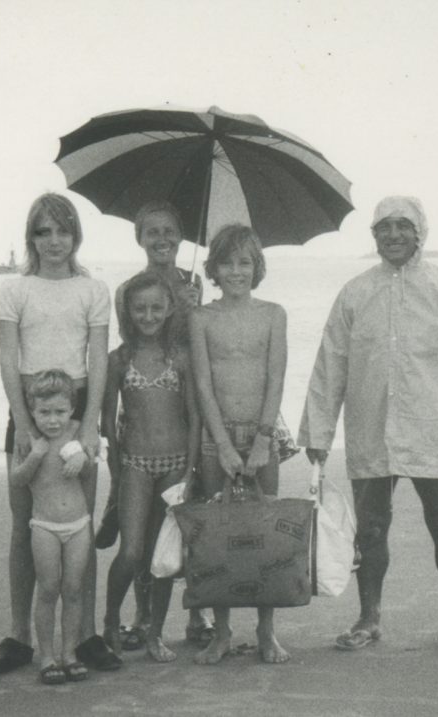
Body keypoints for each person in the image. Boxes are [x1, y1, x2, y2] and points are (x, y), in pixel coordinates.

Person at [299, 196, 438, 655]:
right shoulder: (355, 294)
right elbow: (329, 367)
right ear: (374, 235)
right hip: (370, 430)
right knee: (371, 530)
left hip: (434, 432)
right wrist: (317, 434)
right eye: (384, 227)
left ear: (421, 232)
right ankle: (368, 618)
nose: (393, 235)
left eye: (403, 226)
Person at [0, 192, 120, 675]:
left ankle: (85, 637)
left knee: (79, 522)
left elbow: (98, 360)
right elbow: (7, 358)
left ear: (75, 235)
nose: (54, 241)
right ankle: (20, 636)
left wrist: (91, 425)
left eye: (63, 230)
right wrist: (22, 421)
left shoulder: (93, 289)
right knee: (26, 524)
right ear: (31, 238)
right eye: (44, 231)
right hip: (28, 409)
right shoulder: (14, 290)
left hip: (78, 410)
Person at [97, 200, 215, 651]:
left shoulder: (192, 282)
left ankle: (191, 615)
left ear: (181, 236)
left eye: (170, 231)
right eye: (153, 233)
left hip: (180, 405)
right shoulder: (128, 288)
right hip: (141, 425)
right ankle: (142, 617)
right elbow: (132, 334)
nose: (162, 239)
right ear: (140, 238)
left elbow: (190, 344)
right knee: (140, 536)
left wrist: (189, 309)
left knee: (179, 531)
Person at [188, 223, 290, 665]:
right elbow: (203, 385)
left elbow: (276, 377)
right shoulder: (200, 318)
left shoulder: (273, 313)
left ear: (257, 266)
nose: (236, 271)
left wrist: (264, 439)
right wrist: (223, 444)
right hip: (218, 439)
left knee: (264, 535)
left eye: (245, 262)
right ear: (213, 267)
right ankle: (223, 632)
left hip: (262, 436)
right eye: (227, 263)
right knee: (218, 538)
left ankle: (267, 632)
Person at [100, 272, 200, 663]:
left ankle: (156, 633)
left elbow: (193, 416)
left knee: (161, 558)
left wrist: (191, 472)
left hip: (176, 465)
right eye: (140, 308)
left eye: (157, 307)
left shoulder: (181, 357)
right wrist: (115, 469)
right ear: (127, 310)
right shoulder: (118, 359)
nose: (148, 314)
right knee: (132, 551)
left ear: (171, 308)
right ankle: (110, 621)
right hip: (135, 466)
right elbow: (107, 421)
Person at [8, 370, 93, 684]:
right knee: (47, 589)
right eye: (44, 412)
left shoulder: (78, 433)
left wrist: (83, 461)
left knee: (72, 590)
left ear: (71, 408)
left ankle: (69, 653)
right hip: (44, 525)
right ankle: (46, 656)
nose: (52, 420)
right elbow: (16, 480)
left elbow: (92, 468)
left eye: (59, 412)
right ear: (32, 410)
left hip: (78, 525)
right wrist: (35, 457)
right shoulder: (30, 439)